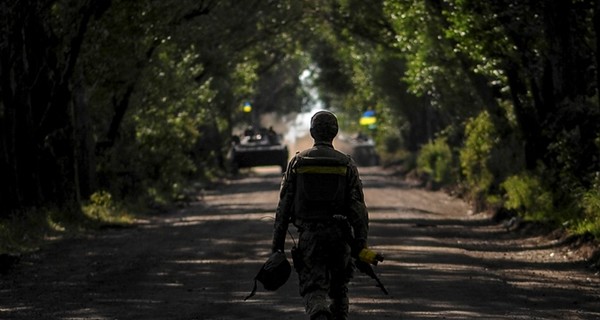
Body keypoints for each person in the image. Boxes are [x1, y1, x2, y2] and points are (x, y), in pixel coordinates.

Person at [271, 111, 370, 320]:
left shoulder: (298, 162)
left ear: (312, 132)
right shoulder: (346, 164)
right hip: (340, 238)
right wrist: (361, 245)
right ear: (335, 133)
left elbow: (283, 208)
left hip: (310, 237)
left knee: (313, 289)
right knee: (340, 290)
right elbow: (358, 209)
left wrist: (277, 247)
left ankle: (318, 311)